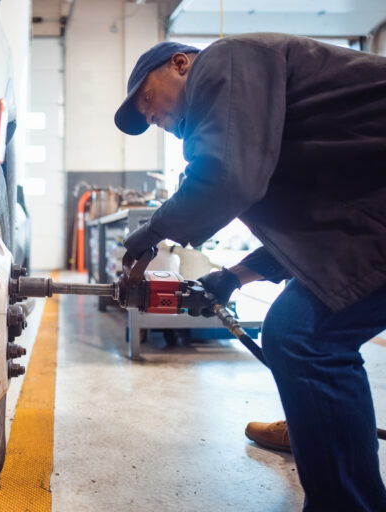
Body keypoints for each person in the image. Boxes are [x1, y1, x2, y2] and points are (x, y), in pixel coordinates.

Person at [114, 34, 386, 511]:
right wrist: (236, 275)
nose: (156, 121)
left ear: (180, 64)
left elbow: (225, 178)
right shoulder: (265, 123)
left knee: (302, 337)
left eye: (149, 103)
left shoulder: (228, 59)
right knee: (302, 334)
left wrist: (148, 234)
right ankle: (326, 446)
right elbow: (325, 229)